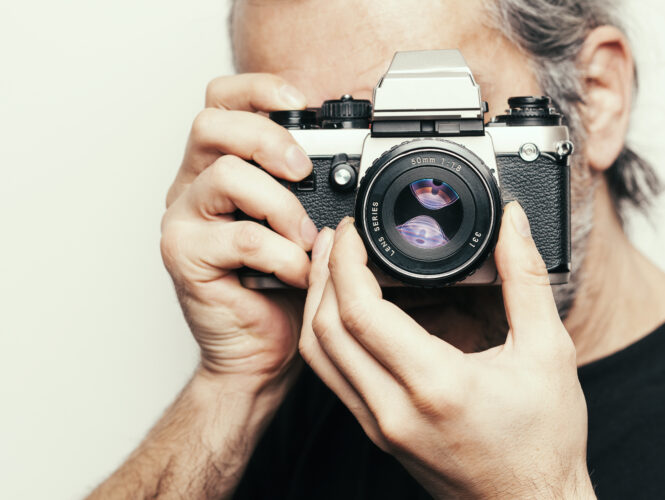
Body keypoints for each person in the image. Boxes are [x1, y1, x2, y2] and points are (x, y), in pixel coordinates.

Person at [88, 0, 665, 498]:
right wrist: (232, 386)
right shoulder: (307, 376)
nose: (407, 209)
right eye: (341, 139)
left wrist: (534, 488)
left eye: (434, 133)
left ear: (596, 98)